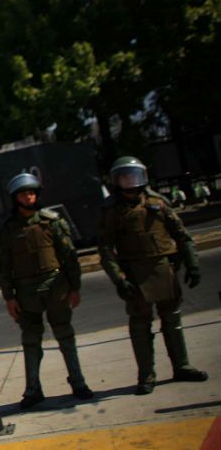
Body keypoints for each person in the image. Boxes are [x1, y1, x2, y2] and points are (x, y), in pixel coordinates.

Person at [98, 156, 208, 395]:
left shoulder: (158, 203)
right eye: (124, 177)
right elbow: (106, 250)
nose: (130, 181)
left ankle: (181, 365)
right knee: (140, 326)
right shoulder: (112, 210)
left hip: (164, 269)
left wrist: (193, 264)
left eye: (133, 175)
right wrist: (119, 280)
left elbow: (182, 235)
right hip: (134, 275)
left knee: (172, 319)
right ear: (117, 181)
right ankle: (146, 375)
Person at [0, 172, 93, 409]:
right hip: (26, 293)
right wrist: (9, 297)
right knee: (30, 341)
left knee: (65, 335)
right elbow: (4, 267)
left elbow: (69, 258)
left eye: (31, 192)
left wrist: (74, 287)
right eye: (23, 194)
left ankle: (78, 382)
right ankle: (32, 390)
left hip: (56, 286)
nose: (28, 197)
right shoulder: (9, 230)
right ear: (15, 198)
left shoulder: (52, 222)